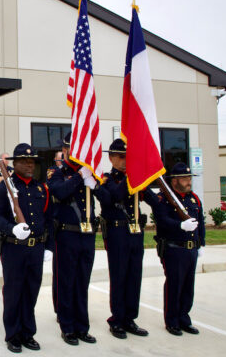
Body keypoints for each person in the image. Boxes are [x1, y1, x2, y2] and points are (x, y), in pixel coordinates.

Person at [0, 143, 53, 353]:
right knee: (13, 292)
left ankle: (28, 333)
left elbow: (48, 219)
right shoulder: (3, 188)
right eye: (24, 161)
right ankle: (13, 334)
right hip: (14, 248)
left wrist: (49, 247)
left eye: (32, 161)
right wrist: (12, 229)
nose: (29, 164)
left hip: (36, 249)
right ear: (14, 163)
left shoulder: (41, 188)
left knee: (31, 292)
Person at [47, 133, 101, 346]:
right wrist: (80, 176)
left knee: (82, 282)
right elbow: (59, 192)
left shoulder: (91, 173)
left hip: (87, 235)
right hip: (66, 235)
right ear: (66, 150)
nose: (74, 153)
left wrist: (95, 183)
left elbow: (106, 196)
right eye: (71, 149)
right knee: (66, 281)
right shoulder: (57, 173)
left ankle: (82, 327)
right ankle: (67, 327)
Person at [96, 139, 150, 339]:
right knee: (119, 276)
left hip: (136, 232)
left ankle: (130, 318)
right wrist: (133, 177)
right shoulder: (106, 179)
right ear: (110, 157)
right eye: (120, 156)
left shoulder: (135, 178)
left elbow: (153, 199)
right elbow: (115, 196)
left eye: (128, 157)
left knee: (134, 276)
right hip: (117, 233)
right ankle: (117, 320)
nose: (124, 160)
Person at [148, 162, 205, 336]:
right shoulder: (164, 199)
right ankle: (172, 321)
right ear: (174, 181)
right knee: (175, 285)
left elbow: (200, 223)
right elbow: (162, 221)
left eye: (189, 178)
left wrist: (201, 243)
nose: (188, 181)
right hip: (174, 249)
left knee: (188, 286)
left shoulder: (193, 198)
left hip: (191, 249)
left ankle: (184, 319)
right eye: (185, 178)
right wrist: (180, 225)